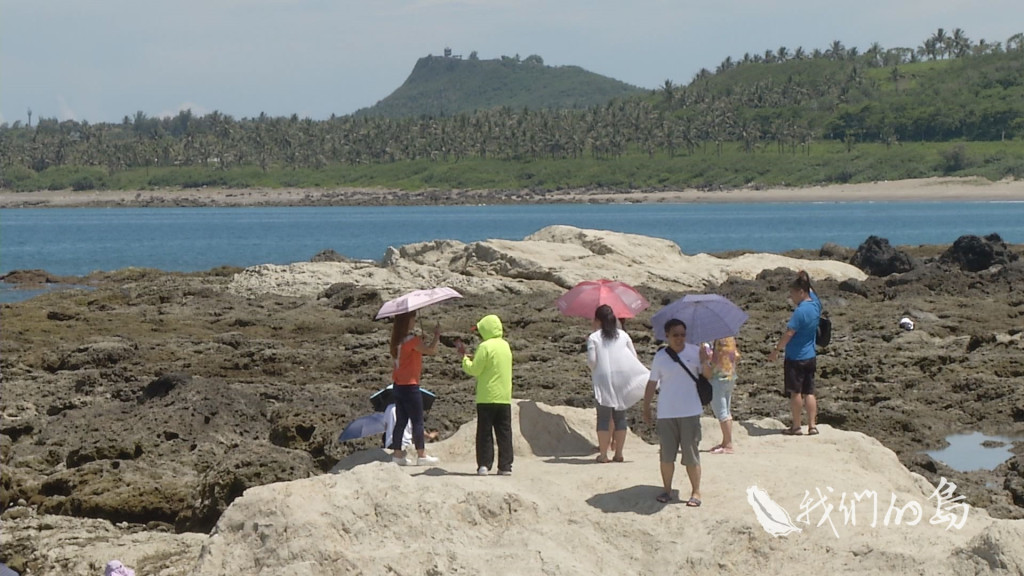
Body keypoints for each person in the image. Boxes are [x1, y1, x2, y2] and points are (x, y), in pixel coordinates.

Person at [643, 318, 703, 506]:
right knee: (666, 455)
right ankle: (667, 490)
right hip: (666, 412)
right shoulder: (661, 356)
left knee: (691, 454)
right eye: (675, 335)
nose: (679, 338)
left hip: (690, 410)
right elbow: (652, 383)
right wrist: (646, 407)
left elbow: (707, 376)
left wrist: (707, 360)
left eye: (682, 335)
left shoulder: (695, 352)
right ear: (667, 336)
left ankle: (696, 492)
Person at [586, 304, 649, 463]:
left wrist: (592, 367)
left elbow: (592, 362)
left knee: (603, 418)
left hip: (604, 379)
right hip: (623, 378)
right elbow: (634, 357)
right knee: (620, 416)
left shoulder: (594, 337)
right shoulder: (623, 335)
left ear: (598, 320)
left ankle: (603, 455)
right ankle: (619, 454)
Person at [456, 314, 513, 476]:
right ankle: (505, 466)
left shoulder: (485, 346)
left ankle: (484, 465)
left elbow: (474, 369)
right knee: (504, 433)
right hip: (504, 396)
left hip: (486, 396)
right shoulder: (505, 346)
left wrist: (464, 359)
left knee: (484, 433)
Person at [767, 270, 821, 436]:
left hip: (796, 357)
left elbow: (789, 333)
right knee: (809, 392)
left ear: (801, 292)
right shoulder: (816, 305)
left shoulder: (800, 312)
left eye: (793, 293)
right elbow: (812, 290)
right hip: (810, 355)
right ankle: (812, 426)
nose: (791, 297)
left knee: (796, 393)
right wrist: (805, 276)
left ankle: (796, 426)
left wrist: (776, 350)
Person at [388, 310, 441, 466]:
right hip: (410, 385)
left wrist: (421, 341)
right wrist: (436, 336)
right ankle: (422, 455)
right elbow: (432, 350)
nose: (415, 322)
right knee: (417, 421)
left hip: (398, 385)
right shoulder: (411, 340)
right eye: (413, 319)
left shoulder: (397, 340)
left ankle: (397, 454)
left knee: (401, 421)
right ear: (407, 321)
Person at [706, 337, 740, 454]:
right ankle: (726, 442)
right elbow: (736, 355)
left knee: (721, 412)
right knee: (726, 411)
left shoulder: (715, 340)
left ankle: (728, 444)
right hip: (730, 376)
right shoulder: (730, 338)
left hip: (718, 378)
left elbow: (710, 358)